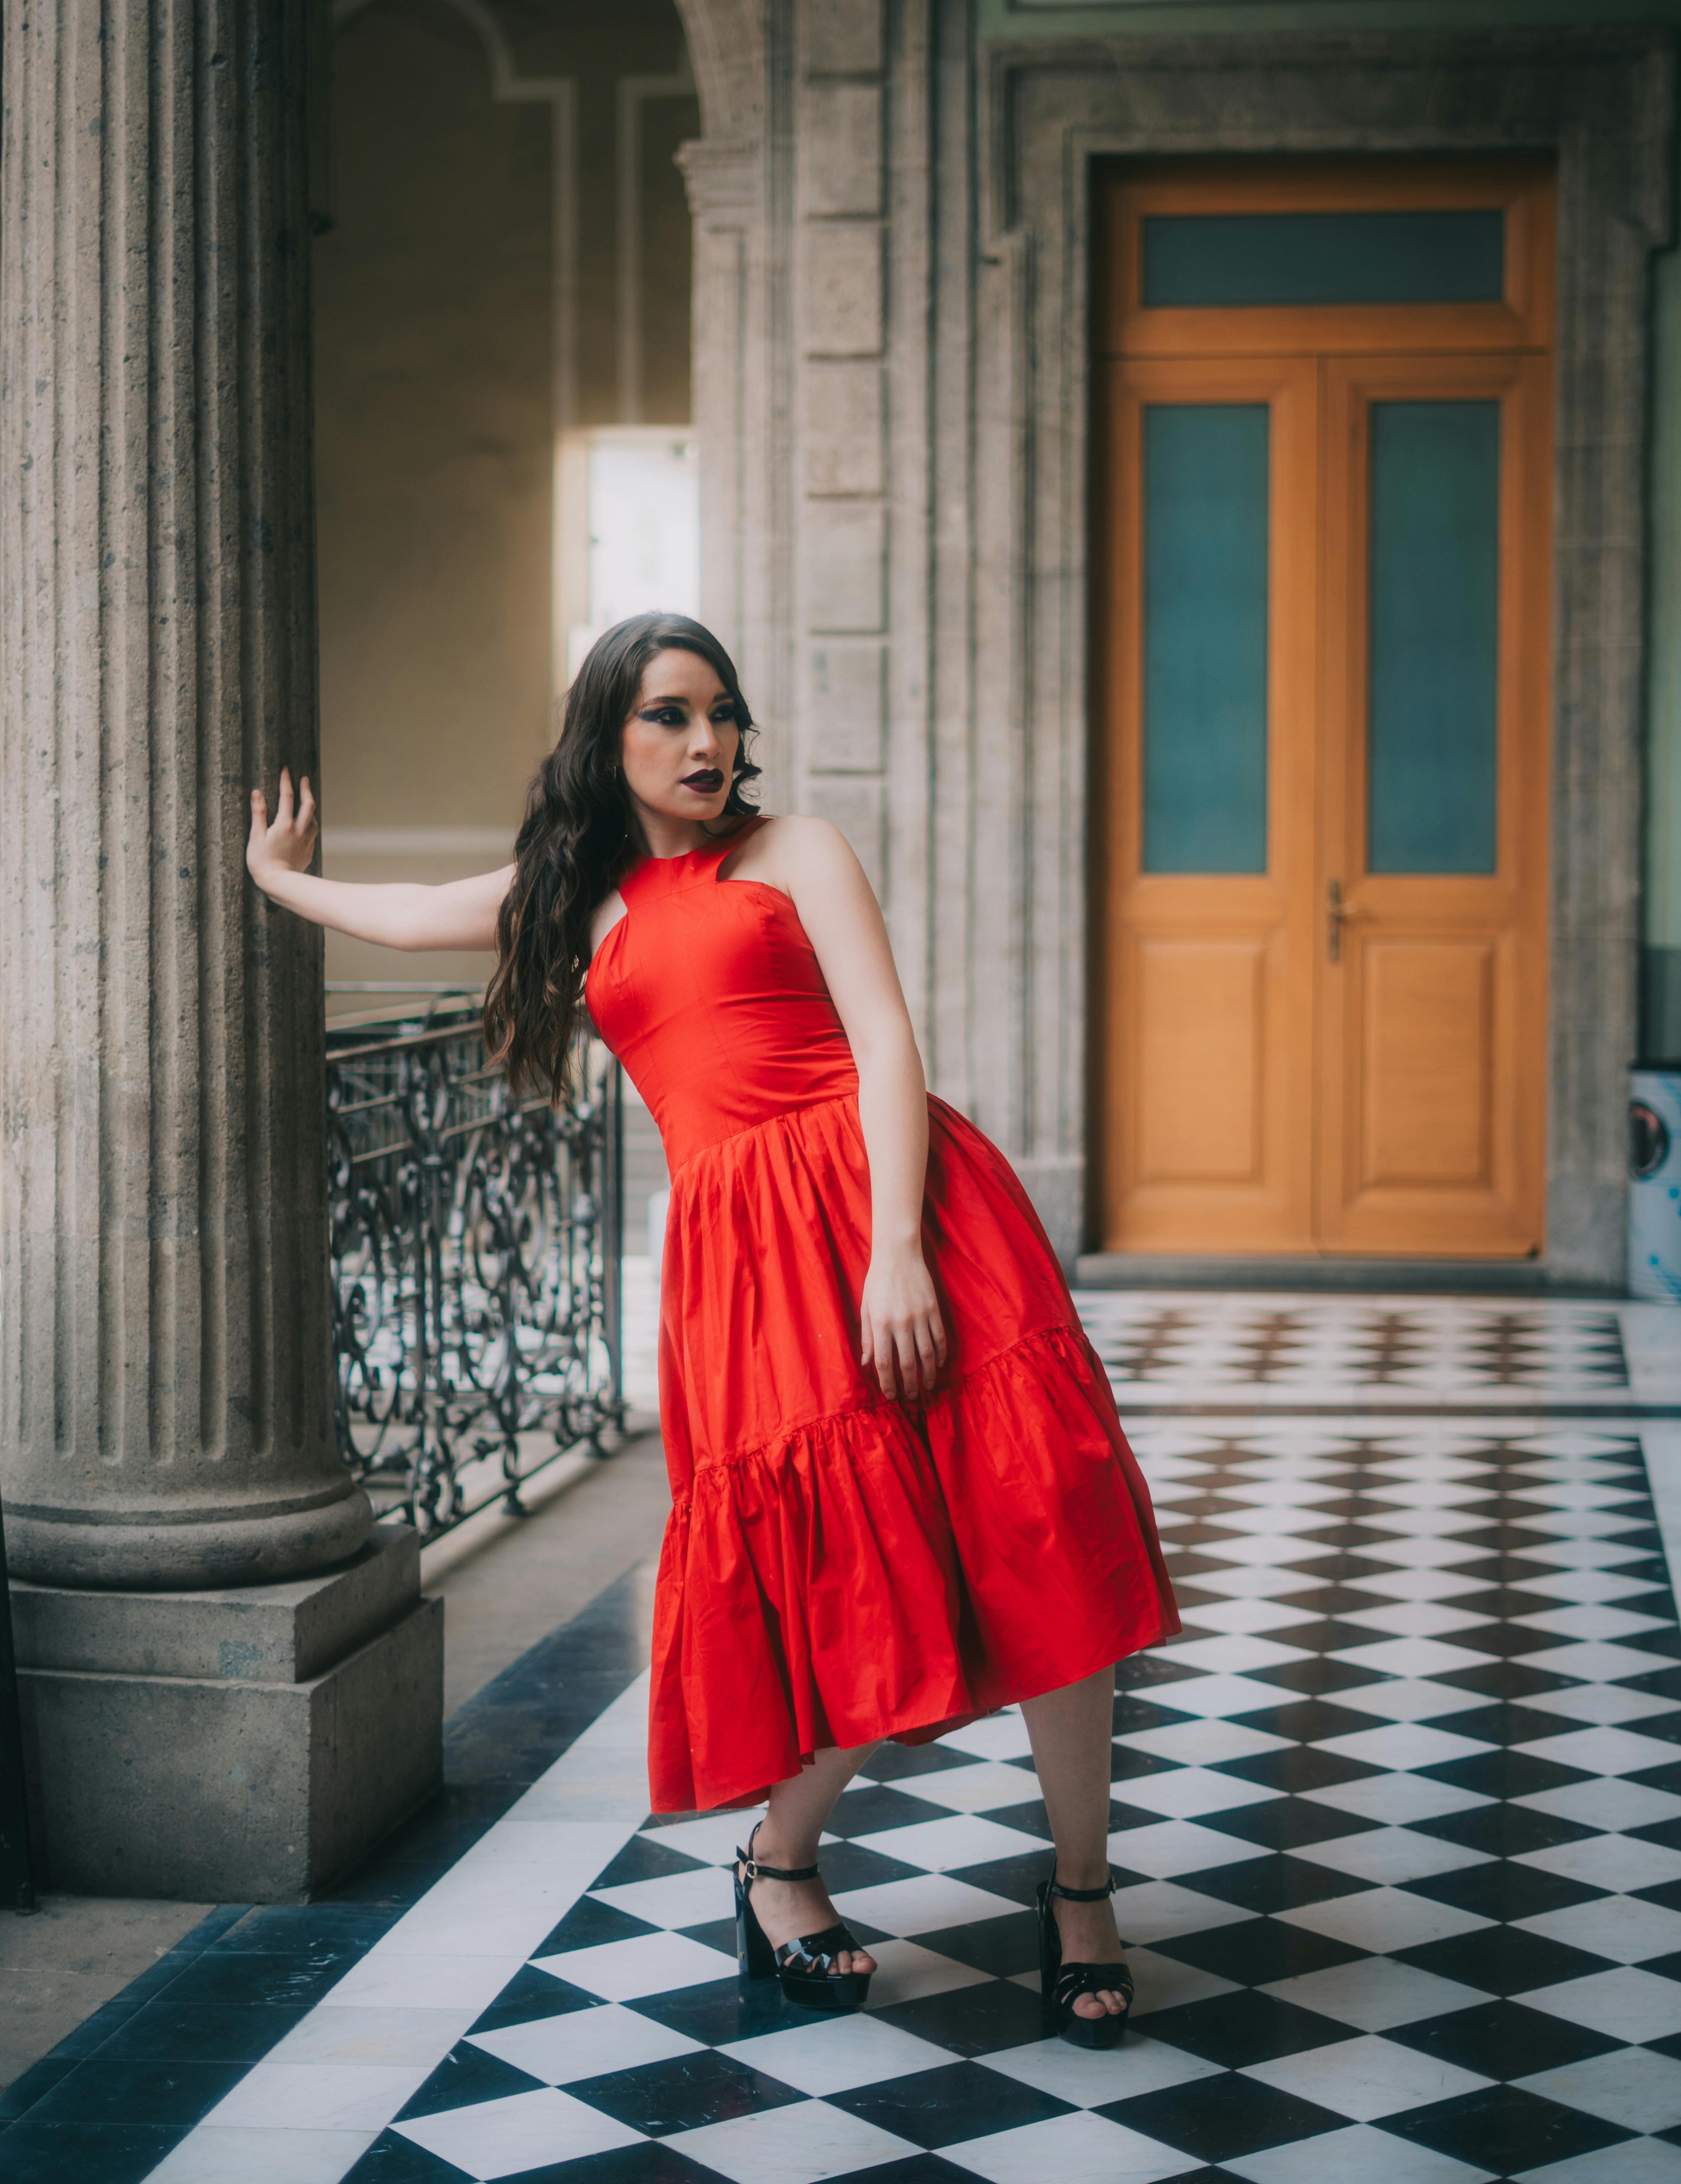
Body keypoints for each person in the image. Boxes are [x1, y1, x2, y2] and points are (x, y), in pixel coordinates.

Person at [247, 611, 1178, 2050]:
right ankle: (780, 1862)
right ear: (608, 737)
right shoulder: (579, 898)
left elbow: (886, 1040)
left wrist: (895, 1253)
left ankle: (1081, 1891)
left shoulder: (795, 849)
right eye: (670, 715)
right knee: (849, 1572)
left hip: (908, 1214)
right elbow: (416, 910)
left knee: (1041, 1522)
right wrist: (279, 879)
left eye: (722, 712)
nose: (706, 741)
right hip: (751, 1269)